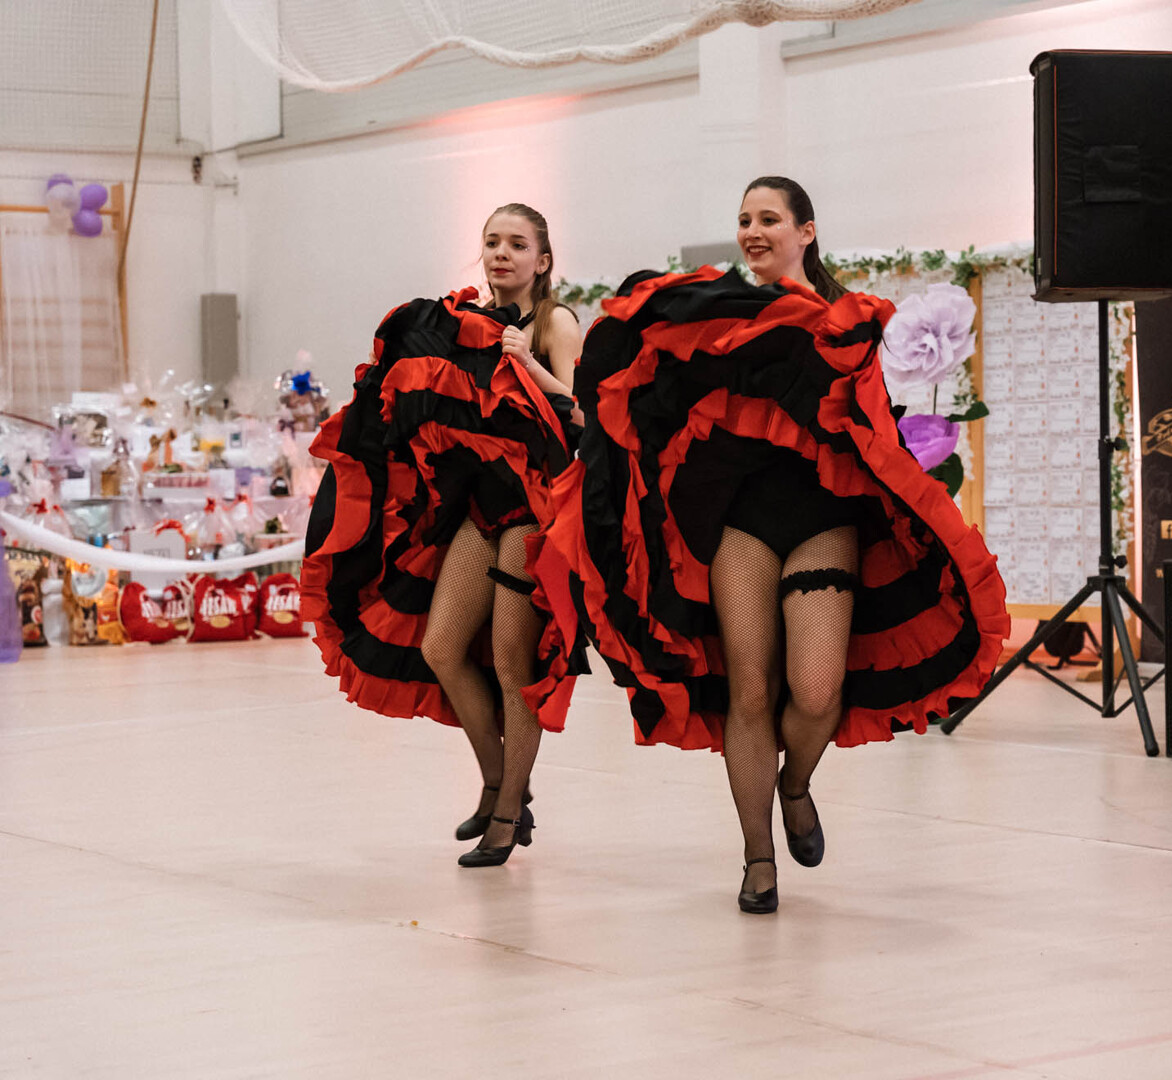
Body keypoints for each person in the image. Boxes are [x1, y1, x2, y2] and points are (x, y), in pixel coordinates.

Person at [538, 177, 1009, 912]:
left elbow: (876, 436)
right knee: (749, 691)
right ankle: (758, 857)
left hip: (823, 519)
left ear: (805, 231)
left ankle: (796, 785)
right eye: (744, 220)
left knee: (817, 692)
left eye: (769, 219)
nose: (753, 232)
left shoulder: (849, 322)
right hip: (739, 523)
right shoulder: (719, 317)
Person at [302, 203, 582, 867]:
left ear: (543, 260)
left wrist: (529, 363)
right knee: (441, 646)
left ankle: (507, 814)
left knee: (514, 664)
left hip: (535, 510)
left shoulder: (555, 322)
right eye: (492, 242)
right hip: (479, 510)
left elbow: (579, 417)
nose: (502, 254)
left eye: (517, 244)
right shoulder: (463, 324)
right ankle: (500, 782)